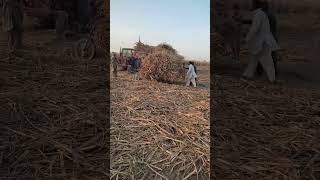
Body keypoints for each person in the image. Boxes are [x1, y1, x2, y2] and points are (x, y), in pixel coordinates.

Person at [242, 0, 280, 83]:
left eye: (253, 4)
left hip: (262, 41)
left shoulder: (259, 14)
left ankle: (272, 79)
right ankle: (248, 75)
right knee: (256, 59)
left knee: (265, 60)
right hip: (265, 40)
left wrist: (247, 39)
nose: (251, 6)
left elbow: (254, 28)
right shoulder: (263, 14)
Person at [256, 1, 279, 78]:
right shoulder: (271, 14)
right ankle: (274, 72)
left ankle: (259, 71)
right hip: (273, 37)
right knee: (272, 56)